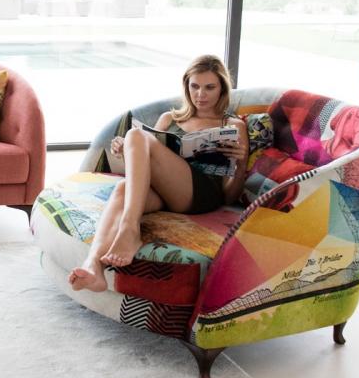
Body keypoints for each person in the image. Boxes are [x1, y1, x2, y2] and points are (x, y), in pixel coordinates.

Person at [68, 54, 249, 293]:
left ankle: (130, 229)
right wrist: (126, 151)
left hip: (201, 195)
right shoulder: (169, 118)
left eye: (209, 87)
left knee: (136, 135)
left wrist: (240, 164)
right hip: (167, 194)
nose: (200, 95)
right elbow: (145, 168)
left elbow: (229, 197)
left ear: (222, 89)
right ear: (186, 86)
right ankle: (93, 267)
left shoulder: (233, 126)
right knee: (123, 187)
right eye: (194, 86)